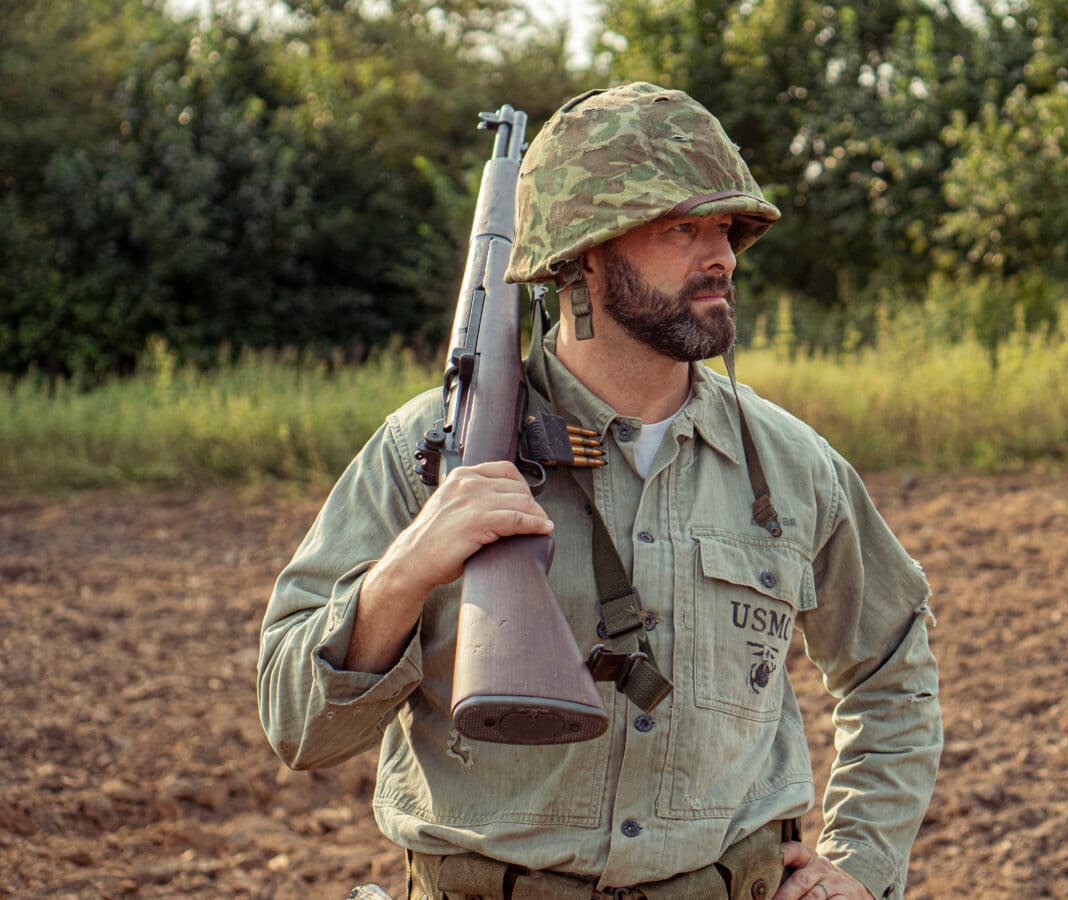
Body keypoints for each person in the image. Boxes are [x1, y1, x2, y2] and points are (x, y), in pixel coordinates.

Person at [258, 82, 942, 900]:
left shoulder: (793, 465)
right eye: (679, 229)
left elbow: (893, 672)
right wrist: (405, 574)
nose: (720, 255)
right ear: (585, 256)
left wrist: (861, 866)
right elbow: (297, 725)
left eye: (725, 228)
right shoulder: (426, 454)